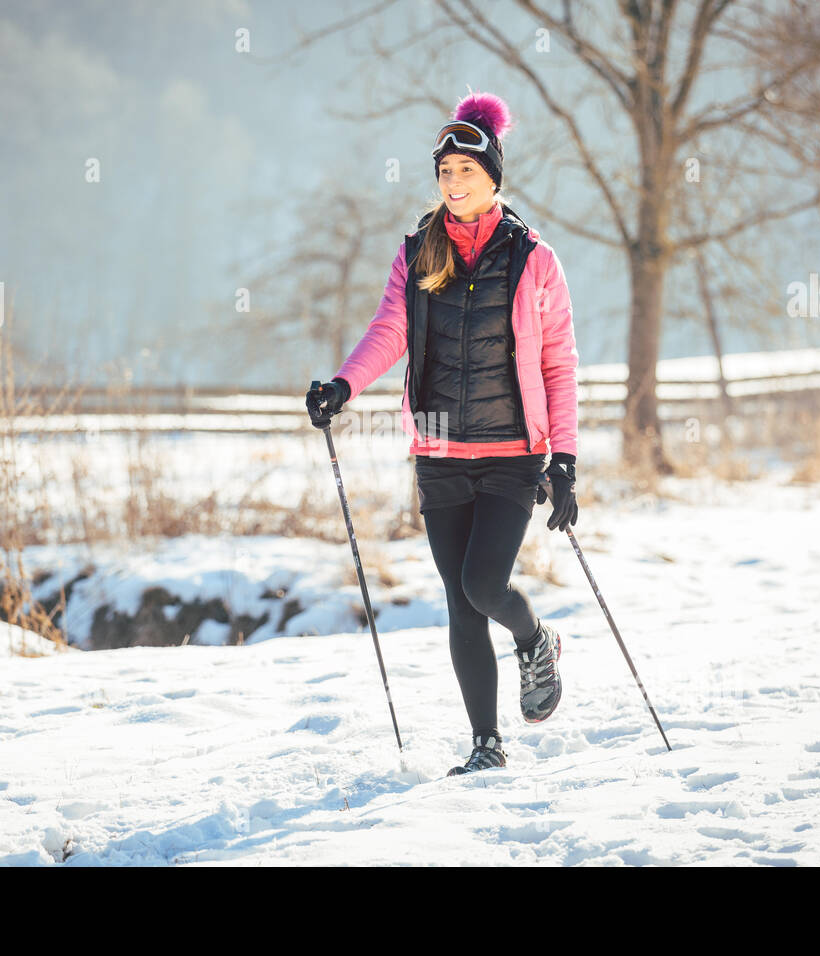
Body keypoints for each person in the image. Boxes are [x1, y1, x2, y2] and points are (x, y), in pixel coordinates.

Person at [305, 91, 579, 777]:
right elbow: (388, 330)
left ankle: (535, 637)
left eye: (465, 170)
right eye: (444, 172)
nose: (453, 183)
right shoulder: (418, 251)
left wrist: (565, 459)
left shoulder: (533, 259)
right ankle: (487, 744)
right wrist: (343, 385)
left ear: (493, 178)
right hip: (437, 451)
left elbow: (558, 361)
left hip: (514, 453)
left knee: (486, 585)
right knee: (459, 603)